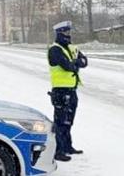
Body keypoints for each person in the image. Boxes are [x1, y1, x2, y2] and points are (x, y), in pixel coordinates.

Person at [48, 21, 88, 162]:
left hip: (72, 90)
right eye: (65, 32)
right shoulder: (55, 49)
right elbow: (67, 66)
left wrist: (76, 63)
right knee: (59, 122)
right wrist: (76, 64)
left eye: (69, 32)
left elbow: (84, 61)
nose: (68, 35)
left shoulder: (72, 48)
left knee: (68, 121)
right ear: (59, 33)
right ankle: (57, 150)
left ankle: (67, 146)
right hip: (60, 91)